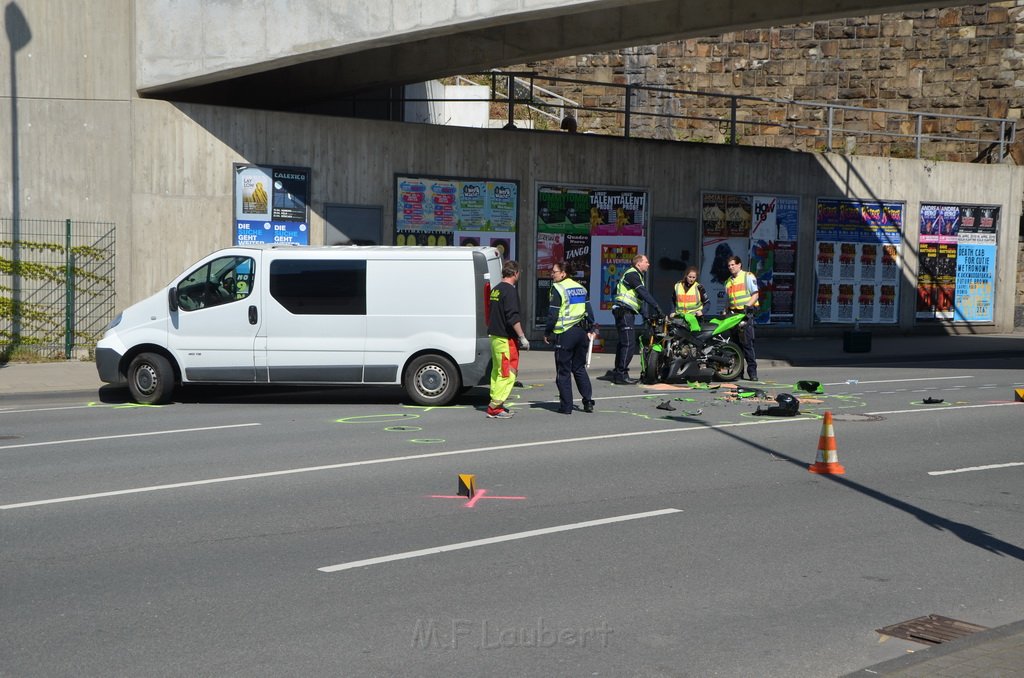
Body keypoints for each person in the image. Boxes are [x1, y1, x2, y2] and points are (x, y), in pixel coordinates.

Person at [544, 262, 596, 414]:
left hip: (565, 333)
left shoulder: (558, 288)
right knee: (579, 368)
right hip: (581, 333)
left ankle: (566, 407)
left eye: (554, 271)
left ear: (563, 274)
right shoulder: (580, 288)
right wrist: (592, 327)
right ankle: (588, 402)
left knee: (563, 371)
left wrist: (547, 332)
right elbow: (589, 309)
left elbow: (553, 314)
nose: (552, 274)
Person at [611, 254, 665, 385]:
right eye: (646, 262)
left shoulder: (636, 276)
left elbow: (637, 300)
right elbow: (643, 293)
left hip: (624, 311)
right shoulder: (632, 274)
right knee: (629, 344)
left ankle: (618, 372)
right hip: (624, 312)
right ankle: (621, 374)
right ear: (638, 263)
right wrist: (657, 307)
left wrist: (645, 315)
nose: (648, 264)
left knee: (623, 343)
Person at [487, 260, 529, 418]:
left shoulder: (496, 290)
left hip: (495, 337)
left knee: (497, 371)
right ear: (515, 273)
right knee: (508, 372)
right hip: (506, 338)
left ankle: (497, 403)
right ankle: (495, 408)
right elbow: (513, 317)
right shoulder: (510, 291)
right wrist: (522, 337)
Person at [725, 255, 760, 381]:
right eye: (729, 265)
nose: (731, 267)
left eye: (733, 264)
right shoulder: (728, 281)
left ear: (739, 265)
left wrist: (747, 307)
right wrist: (725, 310)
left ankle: (752, 372)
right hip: (733, 315)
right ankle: (738, 372)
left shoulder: (748, 276)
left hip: (745, 314)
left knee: (747, 343)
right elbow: (728, 300)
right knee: (736, 345)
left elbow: (755, 295)